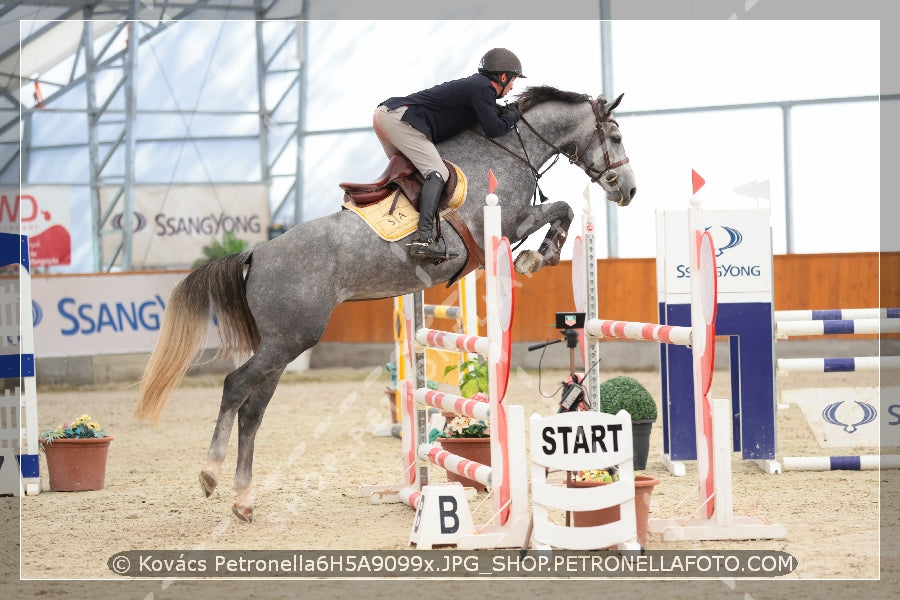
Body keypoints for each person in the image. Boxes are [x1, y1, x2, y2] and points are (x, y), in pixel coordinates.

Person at [373, 48, 525, 260]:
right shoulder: (483, 89)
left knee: (413, 177)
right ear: (502, 76)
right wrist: (513, 116)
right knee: (437, 172)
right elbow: (494, 129)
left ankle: (396, 228)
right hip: (400, 119)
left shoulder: (476, 87)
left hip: (388, 115)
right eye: (513, 80)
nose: (512, 87)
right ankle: (423, 239)